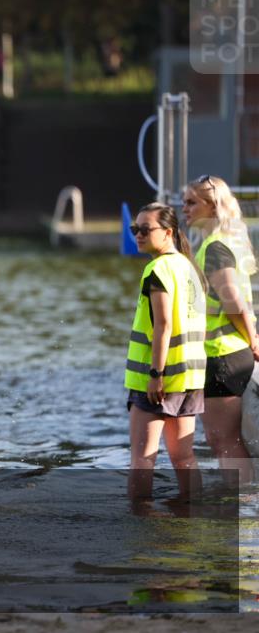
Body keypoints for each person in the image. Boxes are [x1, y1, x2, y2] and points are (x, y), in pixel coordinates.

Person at [125, 202, 206, 505]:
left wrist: (155, 375)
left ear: (168, 232)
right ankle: (193, 513)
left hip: (160, 379)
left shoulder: (158, 269)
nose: (138, 235)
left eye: (145, 229)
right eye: (135, 229)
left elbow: (164, 325)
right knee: (184, 457)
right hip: (190, 376)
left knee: (142, 458)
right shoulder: (188, 267)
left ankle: (139, 520)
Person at [183, 175, 257, 485]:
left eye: (191, 202)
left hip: (222, 355)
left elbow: (232, 301)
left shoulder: (214, 248)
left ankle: (243, 507)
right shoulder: (227, 242)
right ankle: (243, 505)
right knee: (228, 440)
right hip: (230, 353)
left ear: (212, 207)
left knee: (224, 441)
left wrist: (254, 340)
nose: (184, 208)